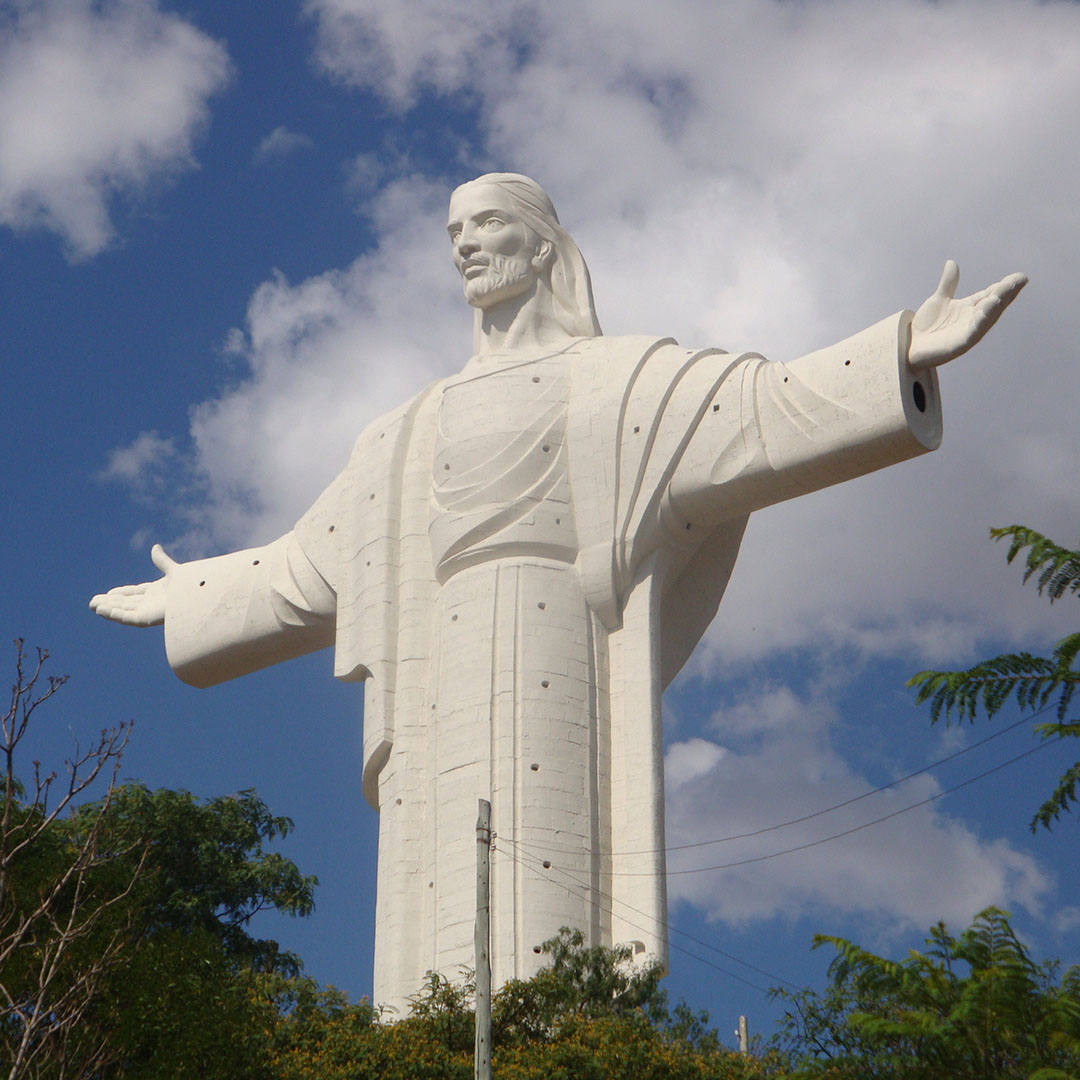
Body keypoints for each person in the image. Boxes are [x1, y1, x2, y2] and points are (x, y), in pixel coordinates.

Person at [91, 172, 1026, 1012]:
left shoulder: (620, 380)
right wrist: (199, 597)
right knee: (434, 936)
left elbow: (760, 408)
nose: (462, 243)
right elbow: (308, 565)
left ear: (542, 246)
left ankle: (558, 1035)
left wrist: (900, 350)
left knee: (552, 919)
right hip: (440, 669)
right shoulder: (404, 432)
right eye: (452, 229)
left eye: (485, 222)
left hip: (561, 644)